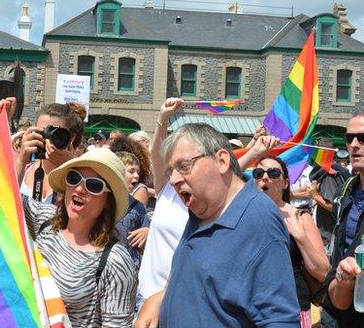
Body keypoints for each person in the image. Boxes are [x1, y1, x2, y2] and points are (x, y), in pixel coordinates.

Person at [146, 123, 300, 327]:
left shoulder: (258, 219)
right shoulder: (203, 208)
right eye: (170, 172)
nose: (174, 180)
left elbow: (280, 320)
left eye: (184, 166)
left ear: (222, 161)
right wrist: (161, 299)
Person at [20, 147, 137, 326]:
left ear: (108, 201)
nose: (80, 188)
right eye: (74, 178)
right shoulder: (44, 220)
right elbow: (0, 199)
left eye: (94, 185)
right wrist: (20, 156)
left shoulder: (115, 261)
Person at [252, 156, 329, 326]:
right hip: (252, 307)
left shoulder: (300, 217)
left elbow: (323, 271)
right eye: (258, 173)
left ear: (285, 183)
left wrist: (300, 236)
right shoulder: (244, 217)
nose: (265, 177)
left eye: (273, 173)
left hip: (291, 308)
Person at [135, 98, 189, 326]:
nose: (177, 171)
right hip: (147, 294)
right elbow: (155, 152)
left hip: (184, 296)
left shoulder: (208, 201)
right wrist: (163, 118)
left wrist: (256, 150)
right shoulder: (165, 189)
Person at [319, 111, 364, 327]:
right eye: (349, 138)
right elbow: (339, 251)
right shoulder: (347, 190)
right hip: (340, 310)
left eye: (362, 138)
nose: (354, 145)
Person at [15, 101, 86, 205]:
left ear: (71, 137)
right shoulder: (24, 169)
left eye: (56, 134)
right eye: (42, 132)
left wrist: (66, 170)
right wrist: (21, 158)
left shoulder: (83, 176)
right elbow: (3, 207)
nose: (48, 138)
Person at [113, 151, 149, 270]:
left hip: (129, 267)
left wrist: (147, 232)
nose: (137, 176)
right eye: (131, 171)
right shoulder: (101, 200)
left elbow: (144, 249)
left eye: (138, 172)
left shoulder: (138, 207)